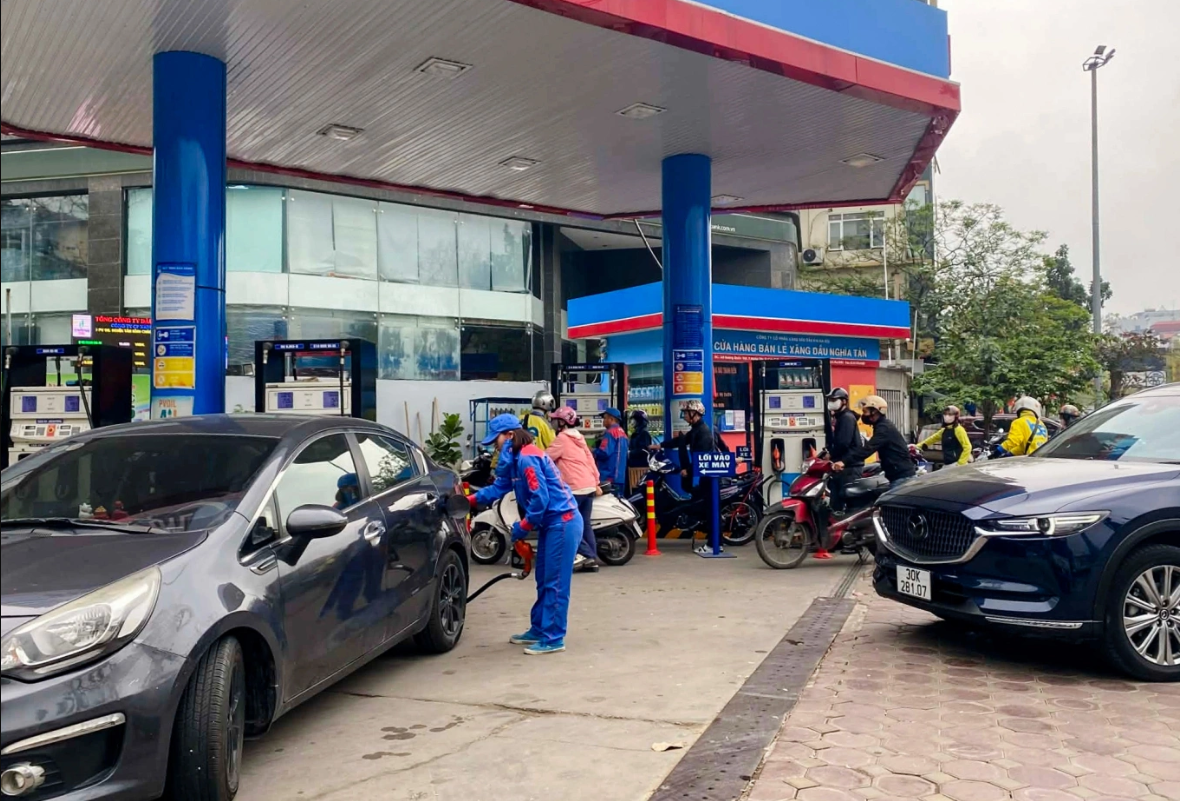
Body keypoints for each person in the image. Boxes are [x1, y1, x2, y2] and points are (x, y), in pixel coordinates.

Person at [472, 414, 581, 655]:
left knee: (555, 582)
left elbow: (540, 498)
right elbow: (498, 488)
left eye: (496, 440)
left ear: (510, 435)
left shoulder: (528, 458)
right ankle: (540, 629)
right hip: (551, 524)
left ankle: (553, 638)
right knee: (543, 579)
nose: (494, 446)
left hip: (562, 522)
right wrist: (469, 500)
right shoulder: (516, 459)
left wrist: (523, 526)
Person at [547, 406, 600, 573]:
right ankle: (592, 559)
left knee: (568, 523)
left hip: (574, 488)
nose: (553, 422)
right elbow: (590, 460)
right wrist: (596, 481)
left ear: (562, 422)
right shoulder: (579, 437)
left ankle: (588, 555)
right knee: (585, 524)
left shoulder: (562, 438)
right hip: (588, 485)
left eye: (555, 420)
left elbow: (545, 458)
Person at [833, 395, 916, 487]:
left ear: (875, 411)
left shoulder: (884, 428)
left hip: (902, 477)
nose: (863, 415)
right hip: (897, 475)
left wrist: (844, 461)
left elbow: (869, 448)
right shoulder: (881, 426)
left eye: (865, 412)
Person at [662, 399, 715, 499]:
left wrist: (688, 470)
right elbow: (682, 441)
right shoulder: (696, 429)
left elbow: (702, 457)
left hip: (708, 473)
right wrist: (660, 445)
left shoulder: (703, 431)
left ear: (695, 414)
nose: (684, 416)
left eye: (686, 413)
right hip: (704, 473)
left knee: (703, 496)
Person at [491, 391, 556, 470]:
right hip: (535, 465)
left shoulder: (518, 418)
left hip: (513, 464)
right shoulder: (544, 423)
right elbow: (553, 446)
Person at [824, 388, 864, 515]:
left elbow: (843, 443)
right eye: (830, 400)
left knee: (846, 503)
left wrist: (831, 454)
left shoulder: (846, 418)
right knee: (836, 502)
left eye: (834, 400)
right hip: (842, 466)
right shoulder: (840, 417)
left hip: (849, 467)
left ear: (844, 402)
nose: (831, 402)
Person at [594, 407, 629, 495]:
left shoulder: (610, 432)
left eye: (605, 418)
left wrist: (592, 451)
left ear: (611, 419)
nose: (603, 421)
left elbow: (604, 453)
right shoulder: (623, 433)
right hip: (620, 477)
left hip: (608, 477)